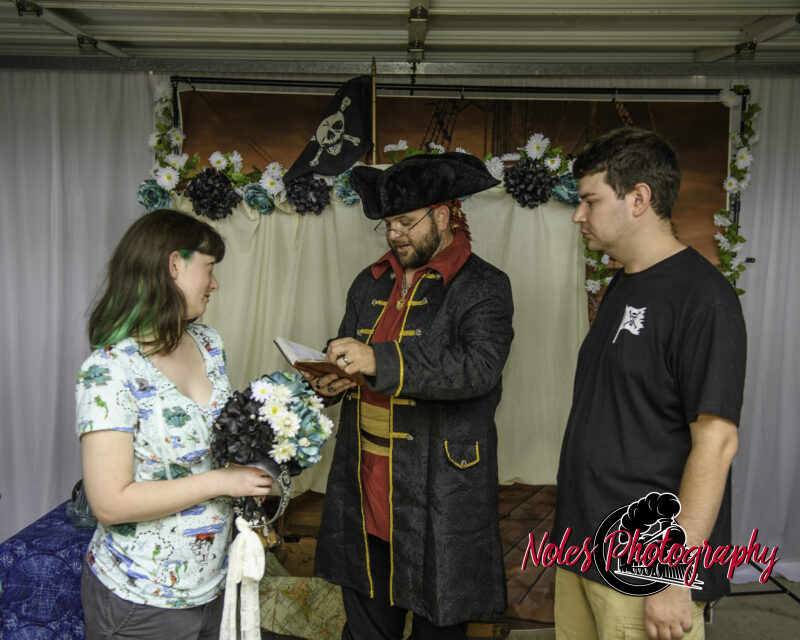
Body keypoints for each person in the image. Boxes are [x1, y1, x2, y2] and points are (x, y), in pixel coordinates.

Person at [305, 152, 514, 639]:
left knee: (438, 627)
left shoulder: (484, 285)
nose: (394, 234)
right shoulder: (370, 282)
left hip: (440, 489)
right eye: (388, 225)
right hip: (365, 483)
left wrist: (377, 360)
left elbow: (478, 370)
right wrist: (333, 377)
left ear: (442, 215)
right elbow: (352, 353)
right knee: (365, 628)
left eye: (405, 222)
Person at [551, 128, 747, 640]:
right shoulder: (625, 281)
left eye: (590, 201)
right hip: (583, 548)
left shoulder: (704, 300)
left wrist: (673, 577)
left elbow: (717, 442)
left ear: (638, 198)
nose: (578, 215)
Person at [76, 209, 273, 639]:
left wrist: (253, 470)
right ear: (174, 265)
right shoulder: (109, 371)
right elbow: (110, 504)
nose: (215, 284)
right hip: (141, 601)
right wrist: (224, 482)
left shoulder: (209, 343)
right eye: (210, 268)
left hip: (213, 584)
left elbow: (216, 442)